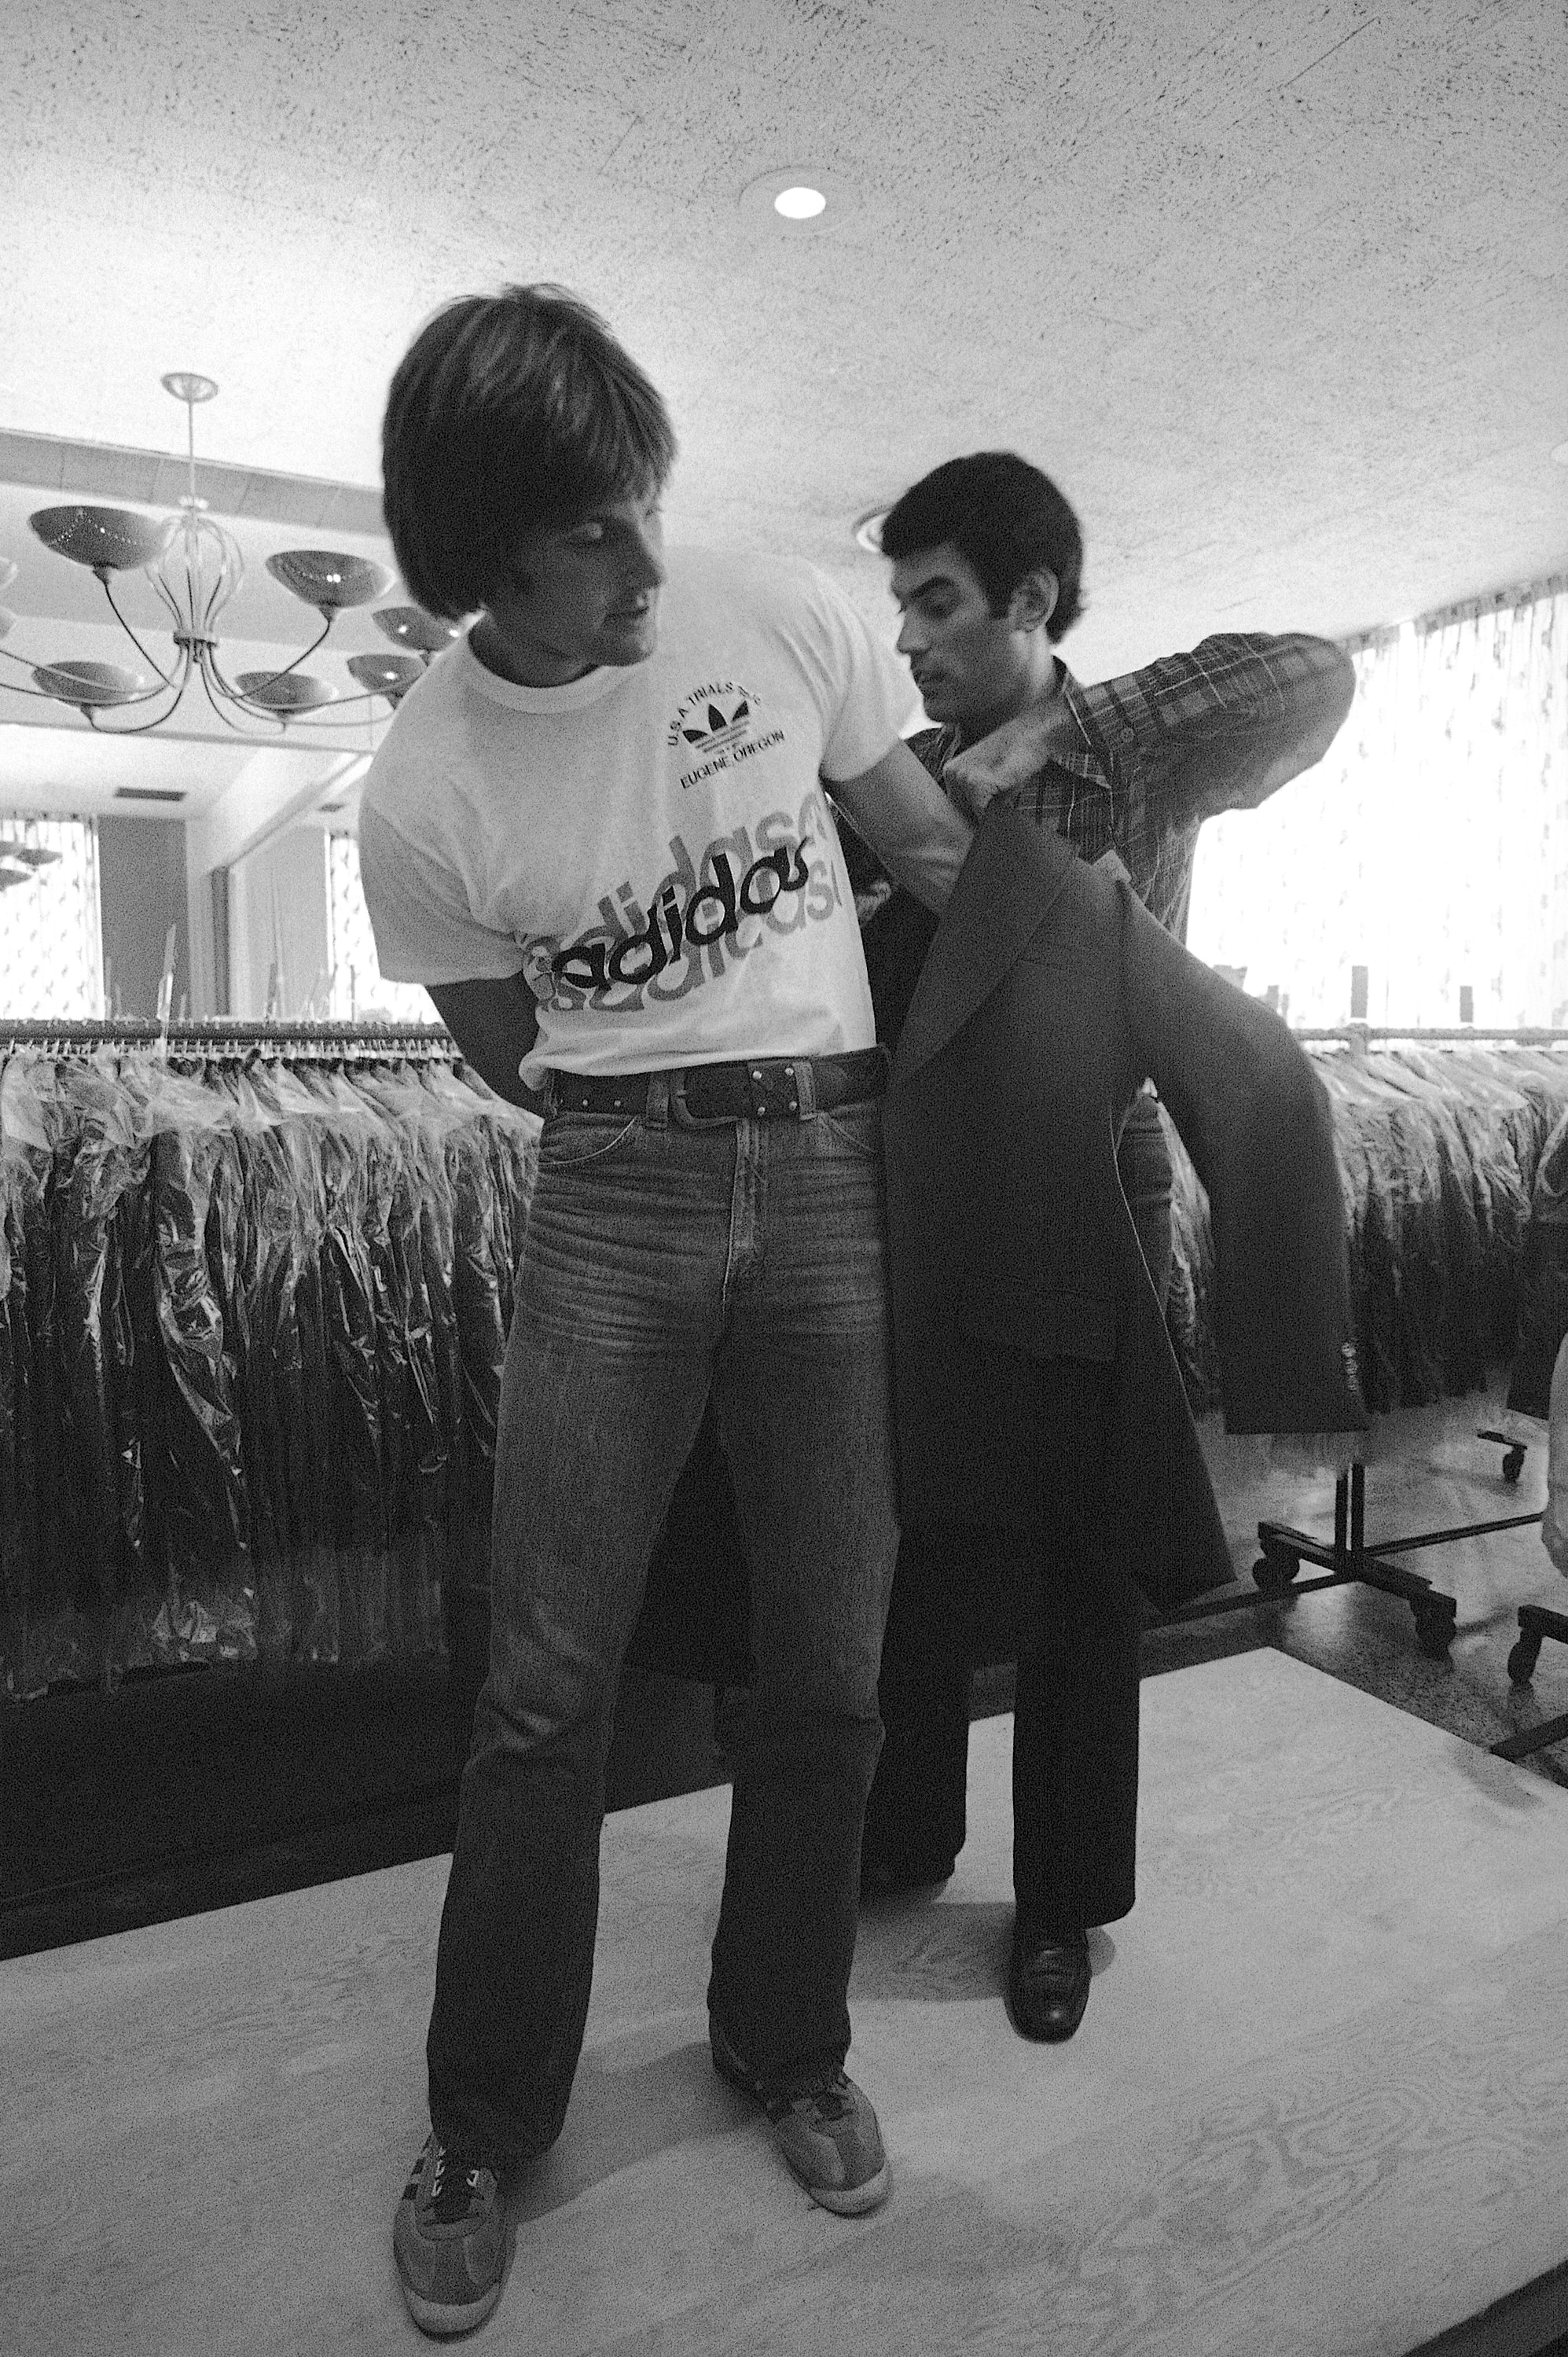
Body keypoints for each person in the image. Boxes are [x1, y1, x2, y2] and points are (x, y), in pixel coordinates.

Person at [356, 283, 982, 2339]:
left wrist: (1097, 989)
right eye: (589, 537)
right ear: (477, 562)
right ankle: (480, 2114)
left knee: (831, 1656)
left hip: (832, 1172)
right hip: (610, 1188)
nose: (642, 562)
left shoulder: (780, 608)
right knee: (544, 1680)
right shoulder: (422, 787)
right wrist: (650, 1096)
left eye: (645, 507)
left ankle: (783, 2035)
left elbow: (924, 846)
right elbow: (498, 1039)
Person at [850, 450, 1357, 2045]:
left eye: (936, 602)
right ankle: (899, 1826)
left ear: (1029, 600)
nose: (911, 639)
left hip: (1087, 1180)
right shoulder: (896, 771)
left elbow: (1315, 675)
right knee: (914, 1517)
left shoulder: (1134, 758)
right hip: (916, 1190)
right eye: (898, 606)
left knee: (1077, 1555)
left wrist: (1065, 725)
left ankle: (1058, 1902)